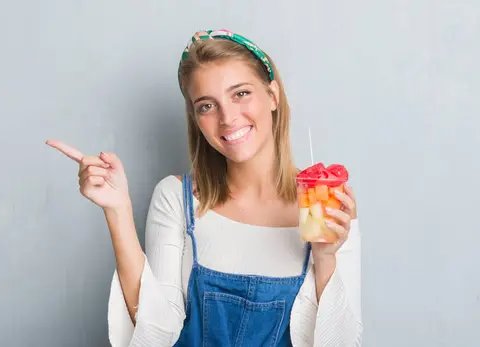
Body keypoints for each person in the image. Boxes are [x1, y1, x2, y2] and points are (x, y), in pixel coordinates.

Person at [46, 29, 362, 347]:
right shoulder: (175, 199)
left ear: (273, 96)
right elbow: (155, 336)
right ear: (196, 119)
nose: (227, 118)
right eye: (207, 106)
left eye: (241, 94)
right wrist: (118, 211)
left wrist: (325, 258)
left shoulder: (324, 204)